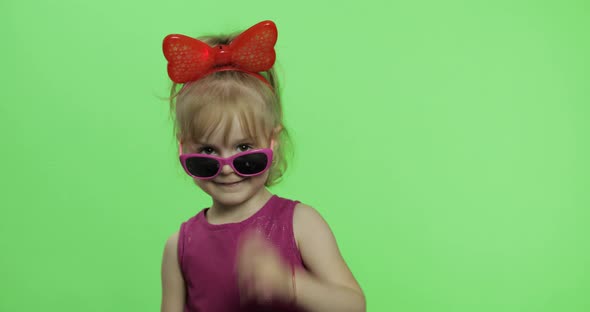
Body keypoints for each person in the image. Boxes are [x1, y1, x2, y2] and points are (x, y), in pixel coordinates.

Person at [160, 20, 365, 312]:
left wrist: (288, 283)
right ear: (183, 148)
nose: (227, 167)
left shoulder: (301, 223)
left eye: (244, 148)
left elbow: (353, 304)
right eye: (207, 150)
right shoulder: (179, 245)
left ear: (273, 142)